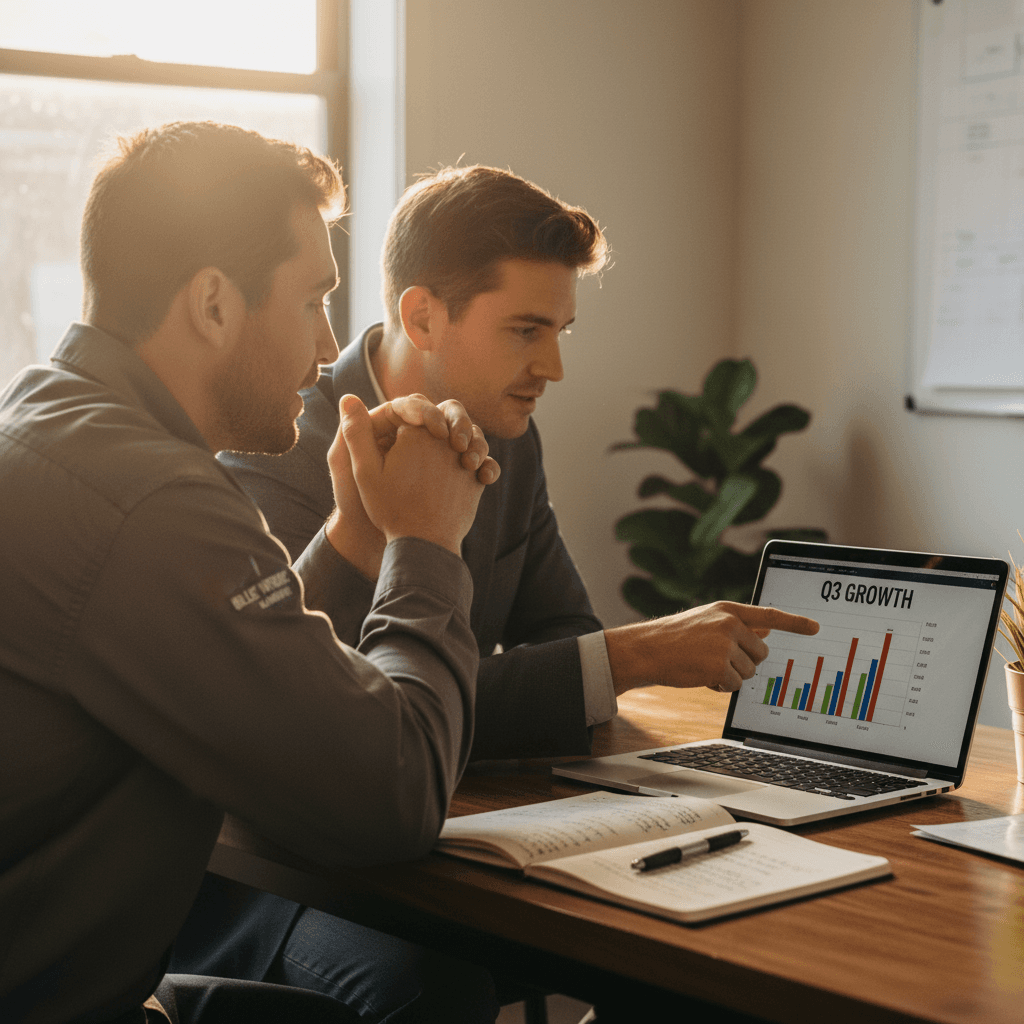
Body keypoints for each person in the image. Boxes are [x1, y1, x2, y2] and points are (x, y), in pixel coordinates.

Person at [173, 165, 818, 1018]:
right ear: (421, 316)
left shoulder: (507, 435)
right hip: (281, 877)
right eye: (526, 330)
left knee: (698, 946)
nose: (552, 366)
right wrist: (627, 656)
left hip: (461, 827)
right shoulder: (284, 439)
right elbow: (332, 714)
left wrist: (591, 664)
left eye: (561, 331)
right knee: (433, 984)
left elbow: (563, 631)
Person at [0, 123, 504, 1024]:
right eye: (312, 301)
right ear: (213, 304)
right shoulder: (154, 501)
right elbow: (393, 796)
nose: (327, 344)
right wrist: (427, 543)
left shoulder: (46, 419)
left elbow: (243, 671)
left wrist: (356, 537)